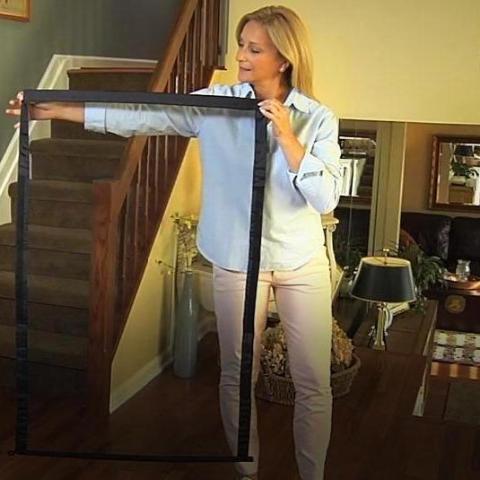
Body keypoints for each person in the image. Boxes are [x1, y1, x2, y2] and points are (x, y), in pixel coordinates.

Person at [6, 5, 341, 479]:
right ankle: (246, 471)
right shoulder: (215, 104)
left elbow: (324, 197)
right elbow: (146, 115)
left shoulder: (318, 118)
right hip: (235, 261)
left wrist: (288, 138)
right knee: (237, 373)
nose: (240, 56)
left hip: (300, 262)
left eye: (253, 49)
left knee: (313, 383)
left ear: (283, 59)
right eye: (241, 45)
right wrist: (59, 110)